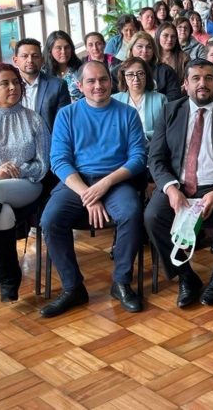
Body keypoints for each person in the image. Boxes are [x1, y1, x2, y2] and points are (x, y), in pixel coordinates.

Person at [40, 61, 147, 317]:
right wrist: (88, 196)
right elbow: (59, 160)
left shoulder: (128, 113)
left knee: (131, 213)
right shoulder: (67, 115)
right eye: (91, 81)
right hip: (77, 183)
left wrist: (104, 185)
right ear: (79, 86)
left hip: (115, 181)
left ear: (111, 82)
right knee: (50, 220)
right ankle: (73, 287)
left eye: (103, 80)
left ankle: (121, 282)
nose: (98, 85)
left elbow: (138, 158)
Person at [145, 58, 213, 307]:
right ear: (185, 84)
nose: (202, 84)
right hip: (179, 186)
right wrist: (171, 190)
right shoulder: (170, 110)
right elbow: (156, 157)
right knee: (153, 217)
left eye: (208, 78)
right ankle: (186, 277)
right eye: (195, 78)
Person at [0, 63, 50, 302]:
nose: (13, 87)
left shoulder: (34, 120)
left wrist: (14, 171)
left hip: (26, 185)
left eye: (16, 82)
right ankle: (9, 284)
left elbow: (42, 165)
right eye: (4, 83)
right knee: (3, 214)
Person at [11, 38, 70, 132]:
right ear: (15, 60)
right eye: (24, 56)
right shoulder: (9, 87)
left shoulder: (58, 86)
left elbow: (63, 123)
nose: (30, 60)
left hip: (47, 142)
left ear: (42, 60)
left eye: (35, 56)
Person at [112, 57, 167, 142]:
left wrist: (142, 136)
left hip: (152, 148)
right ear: (124, 77)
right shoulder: (114, 100)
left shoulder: (160, 99)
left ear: (147, 75)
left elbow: (166, 129)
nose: (136, 79)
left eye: (140, 73)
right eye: (130, 74)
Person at [125, 31, 181, 101]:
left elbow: (174, 98)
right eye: (140, 46)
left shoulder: (166, 71)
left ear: (154, 50)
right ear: (131, 49)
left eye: (149, 47)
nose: (144, 50)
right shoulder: (120, 71)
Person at [42, 30, 82, 101]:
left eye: (67, 47)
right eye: (59, 48)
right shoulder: (43, 73)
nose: (63, 52)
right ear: (50, 50)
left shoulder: (81, 69)